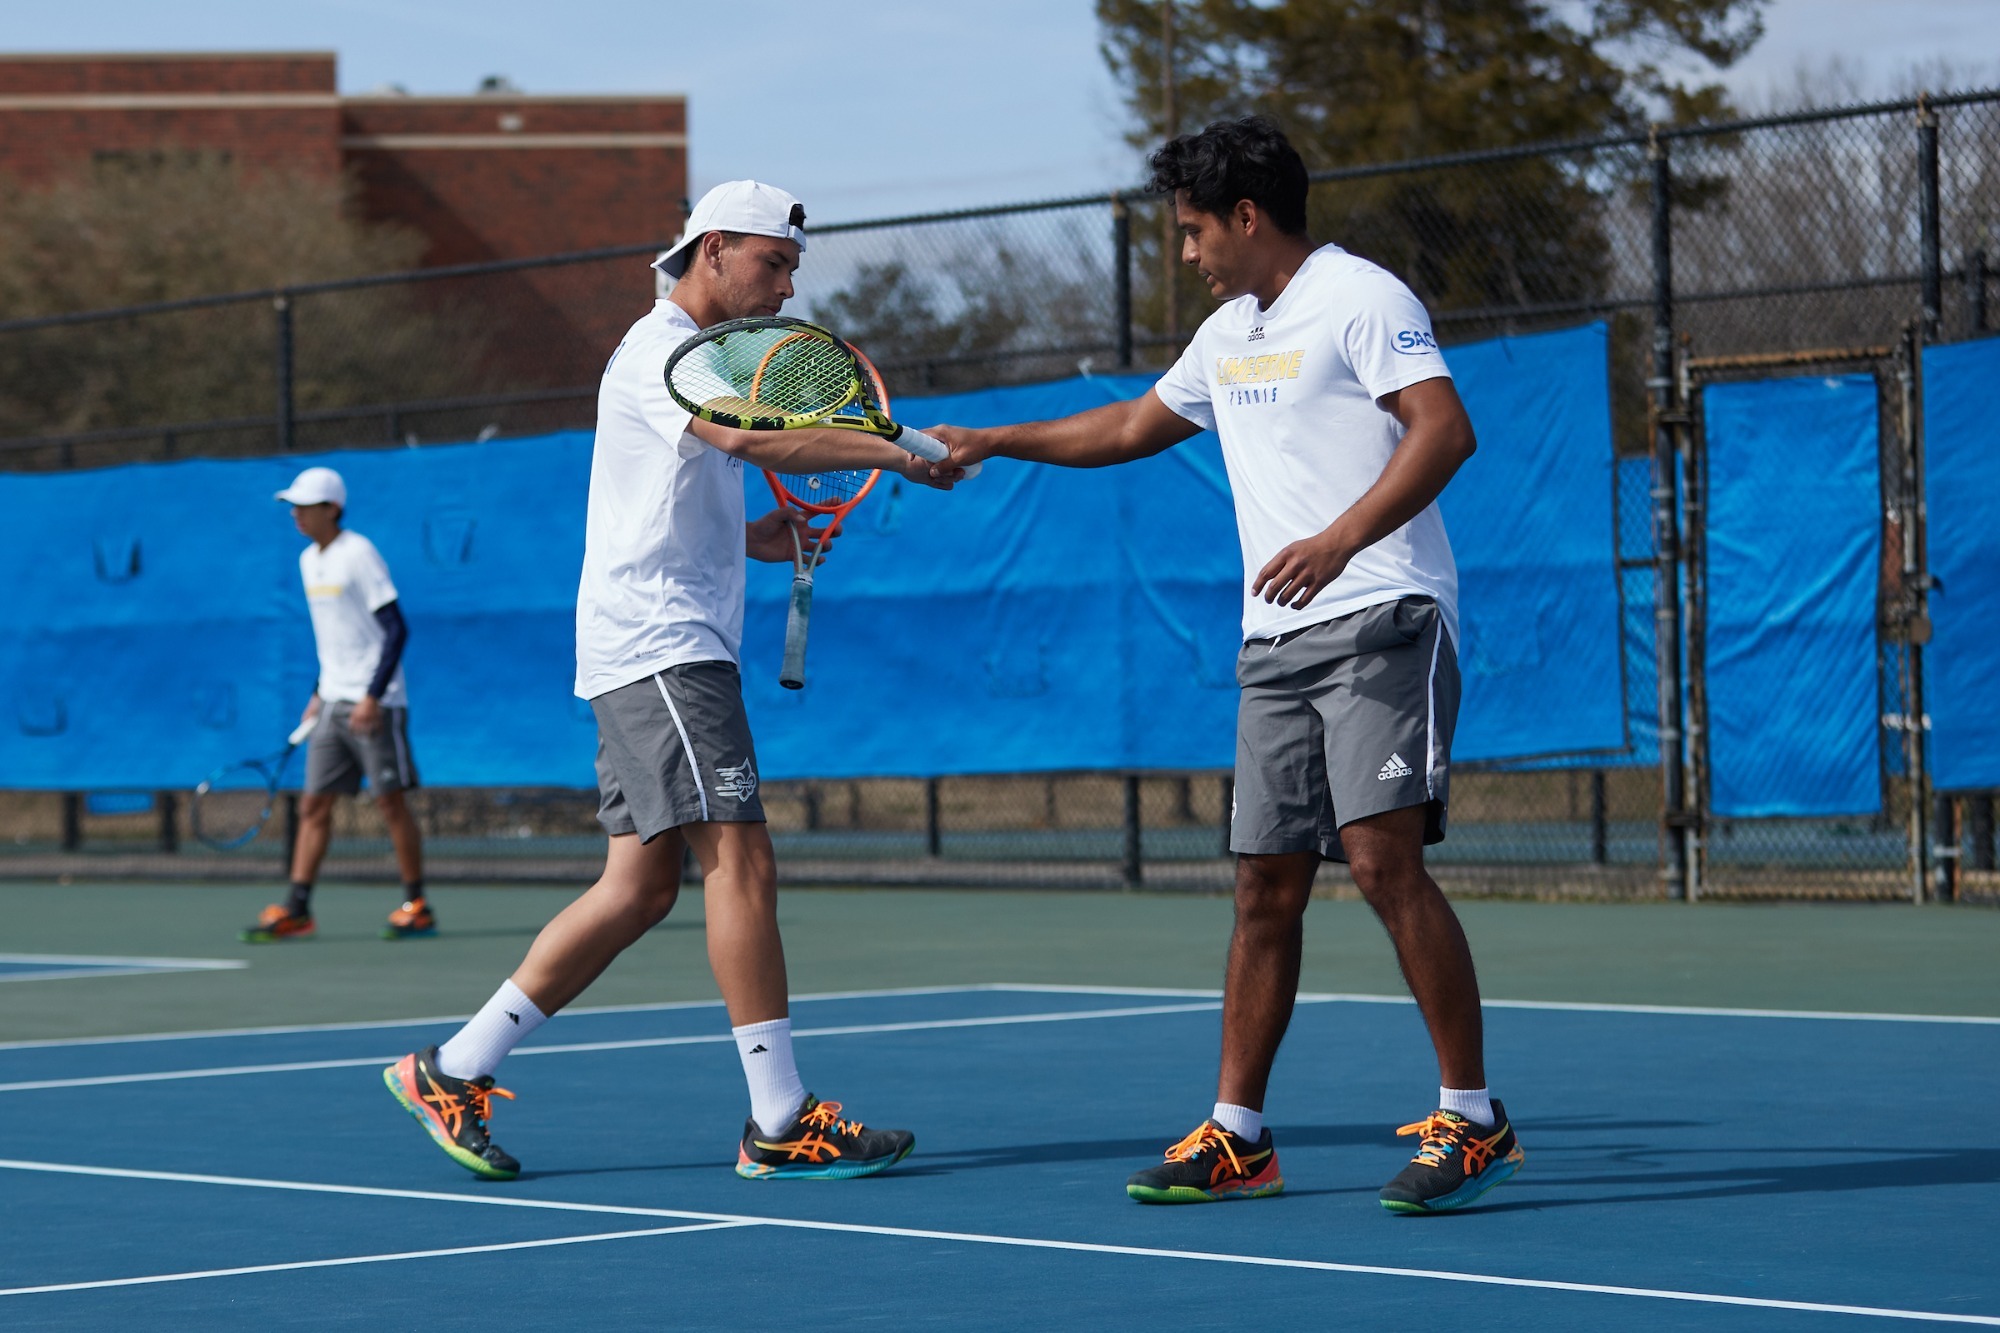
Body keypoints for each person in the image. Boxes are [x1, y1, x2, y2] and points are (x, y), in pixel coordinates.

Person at [931, 118, 1522, 1214]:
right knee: (1262, 883)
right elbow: (1122, 426)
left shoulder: (1361, 297)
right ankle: (1237, 1135)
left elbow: (1443, 432)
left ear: (1246, 217)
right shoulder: (1227, 333)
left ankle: (1471, 1115)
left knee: (1381, 864)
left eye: (1195, 231)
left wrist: (1340, 538)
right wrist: (994, 438)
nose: (1188, 253)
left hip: (1383, 613)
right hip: (1274, 643)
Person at [383, 180, 955, 1183]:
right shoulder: (662, 354)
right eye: (772, 264)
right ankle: (778, 1120)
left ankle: (452, 1068)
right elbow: (743, 437)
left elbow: (660, 504)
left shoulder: (681, 357)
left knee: (639, 887)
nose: (783, 289)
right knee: (742, 861)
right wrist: (900, 448)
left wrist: (752, 535)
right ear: (716, 249)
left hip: (649, 641)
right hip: (663, 648)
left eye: (790, 270)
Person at [244, 466, 432, 943]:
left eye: (305, 506)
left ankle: (417, 903)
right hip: (330, 699)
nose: (296, 515)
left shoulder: (359, 553)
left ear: (332, 509)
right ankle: (298, 909)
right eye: (293, 507)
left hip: (376, 702)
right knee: (313, 805)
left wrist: (371, 696)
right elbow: (336, 638)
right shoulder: (308, 561)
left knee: (390, 803)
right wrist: (317, 691)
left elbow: (396, 629)